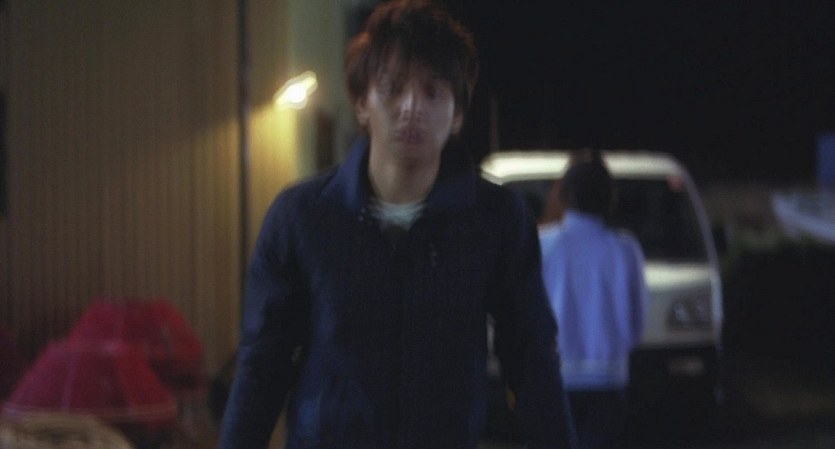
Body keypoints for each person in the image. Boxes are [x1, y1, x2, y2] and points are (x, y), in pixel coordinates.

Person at [218, 1, 575, 448]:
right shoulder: (303, 217)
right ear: (361, 103)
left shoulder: (494, 219)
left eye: (433, 91)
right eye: (392, 88)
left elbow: (531, 357)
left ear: (458, 114)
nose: (411, 107)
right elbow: (263, 363)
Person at [538, 151, 649, 449]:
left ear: (563, 195)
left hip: (555, 378)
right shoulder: (625, 249)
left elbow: (526, 314)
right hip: (609, 379)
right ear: (610, 198)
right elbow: (637, 324)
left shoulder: (542, 245)